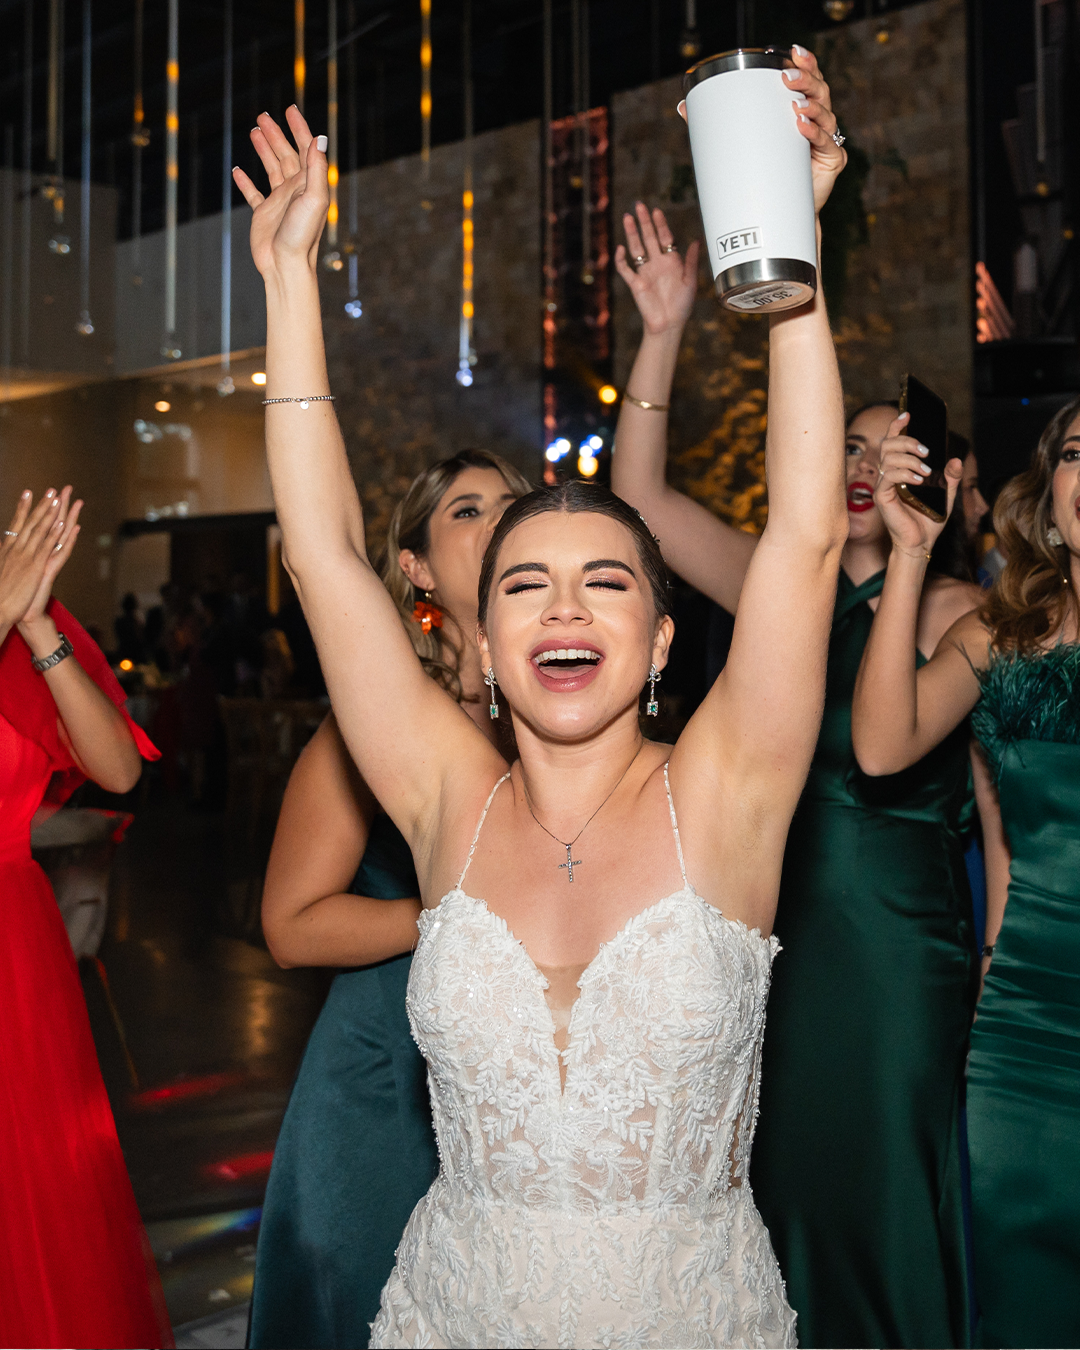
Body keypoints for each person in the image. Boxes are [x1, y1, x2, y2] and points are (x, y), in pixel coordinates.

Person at [234, 45, 846, 1348]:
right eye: (525, 584)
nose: (564, 607)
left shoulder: (727, 792)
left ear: (664, 638)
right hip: (454, 1309)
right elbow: (325, 555)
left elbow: (801, 542)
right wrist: (288, 281)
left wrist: (790, 269)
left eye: (605, 581)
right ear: (489, 636)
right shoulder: (445, 798)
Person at [610, 210, 985, 1347]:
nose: (864, 466)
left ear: (939, 477)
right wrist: (662, 333)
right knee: (783, 1190)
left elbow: (942, 771)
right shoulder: (779, 595)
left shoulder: (965, 611)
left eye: (888, 448)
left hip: (894, 949)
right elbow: (639, 502)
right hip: (777, 929)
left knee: (882, 1187)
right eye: (849, 446)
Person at [248, 449, 529, 1350]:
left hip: (525, 1078)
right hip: (386, 1076)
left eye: (513, 503)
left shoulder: (566, 703)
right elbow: (290, 926)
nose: (498, 518)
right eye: (467, 511)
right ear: (416, 570)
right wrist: (461, 911)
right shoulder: (374, 721)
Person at [850, 398, 1080, 1349]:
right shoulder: (1002, 637)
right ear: (1050, 491)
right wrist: (909, 554)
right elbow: (880, 745)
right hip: (1031, 1030)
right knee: (1030, 1302)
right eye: (1077, 453)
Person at [0, 487, 171, 1349]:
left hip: (15, 952)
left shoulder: (16, 600)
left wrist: (36, 626)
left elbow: (118, 771)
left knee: (32, 1204)